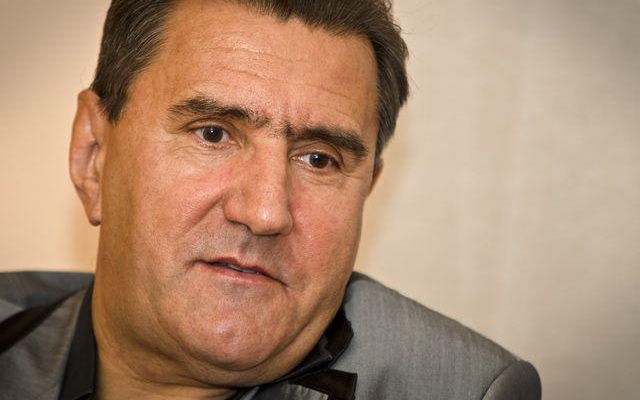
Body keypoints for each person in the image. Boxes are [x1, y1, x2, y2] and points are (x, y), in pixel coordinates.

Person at [0, 0, 541, 399]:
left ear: (366, 190)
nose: (265, 213)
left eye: (319, 159)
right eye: (213, 133)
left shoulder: (460, 390)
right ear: (94, 155)